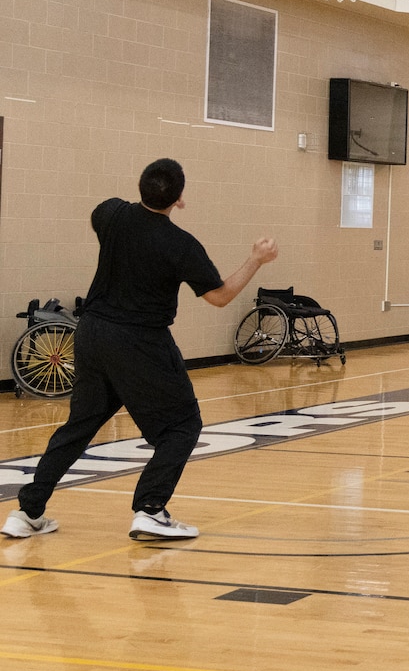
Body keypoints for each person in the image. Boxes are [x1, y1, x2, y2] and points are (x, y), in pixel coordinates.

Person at [2, 158, 278, 542]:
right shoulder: (181, 245)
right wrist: (256, 260)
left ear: (140, 186)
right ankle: (150, 510)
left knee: (79, 425)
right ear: (179, 198)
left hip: (92, 335)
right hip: (140, 342)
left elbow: (101, 214)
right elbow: (219, 296)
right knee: (183, 425)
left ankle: (27, 511)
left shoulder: (111, 215)